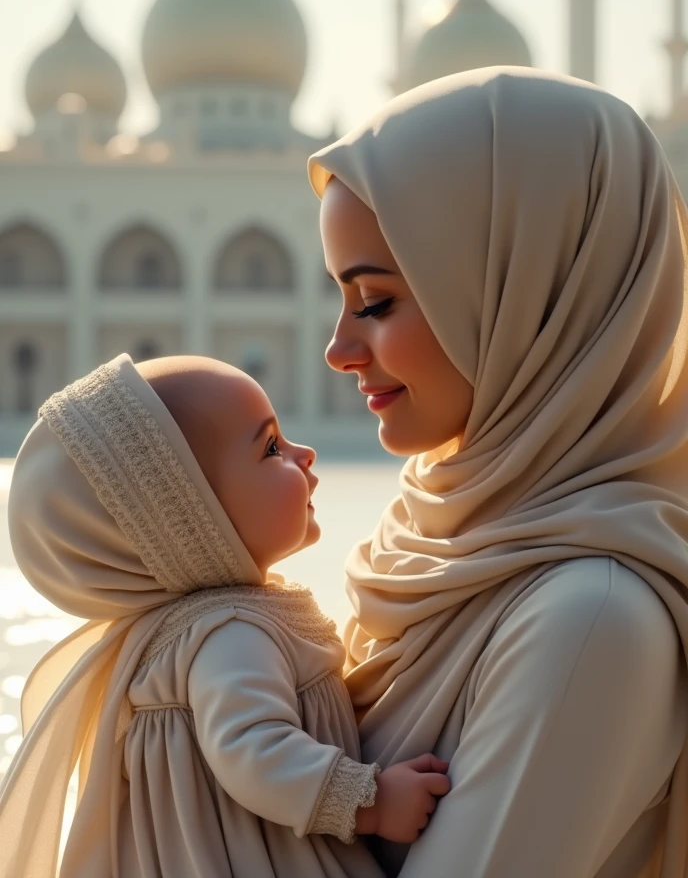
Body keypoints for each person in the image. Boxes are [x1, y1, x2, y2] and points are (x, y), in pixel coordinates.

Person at [310, 66, 688, 878]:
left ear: (529, 295)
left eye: (374, 302)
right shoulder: (446, 549)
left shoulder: (590, 620)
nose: (337, 350)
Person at [0, 353, 449, 878]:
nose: (305, 454)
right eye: (272, 447)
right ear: (192, 517)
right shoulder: (232, 631)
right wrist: (370, 804)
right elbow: (252, 749)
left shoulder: (197, 628)